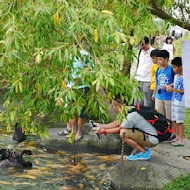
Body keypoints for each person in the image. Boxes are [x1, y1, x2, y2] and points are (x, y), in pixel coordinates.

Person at [93, 95, 159, 161]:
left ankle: (144, 153)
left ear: (117, 105)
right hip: (151, 136)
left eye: (113, 106)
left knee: (123, 133)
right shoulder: (130, 109)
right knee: (127, 130)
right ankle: (144, 148)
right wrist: (101, 125)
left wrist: (103, 131)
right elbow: (117, 123)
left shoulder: (130, 116)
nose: (113, 108)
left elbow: (118, 129)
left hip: (152, 140)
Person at [58, 49, 92, 141]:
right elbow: (66, 70)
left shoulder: (85, 54)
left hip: (82, 86)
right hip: (71, 87)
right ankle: (73, 130)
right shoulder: (68, 54)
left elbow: (91, 69)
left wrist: (82, 76)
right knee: (71, 110)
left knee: (81, 111)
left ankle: (79, 131)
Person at [166, 57, 185, 146]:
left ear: (181, 67)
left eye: (175, 67)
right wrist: (168, 86)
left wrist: (173, 90)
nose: (173, 69)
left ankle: (181, 139)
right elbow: (175, 83)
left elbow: (185, 90)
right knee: (174, 119)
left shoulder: (185, 77)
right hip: (174, 100)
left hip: (180, 102)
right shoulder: (176, 76)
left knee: (179, 121)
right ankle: (177, 136)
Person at [152, 50, 175, 120]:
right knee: (159, 117)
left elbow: (177, 82)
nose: (158, 61)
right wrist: (154, 93)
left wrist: (169, 86)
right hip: (159, 96)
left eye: (160, 59)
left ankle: (170, 130)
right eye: (158, 59)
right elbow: (157, 82)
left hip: (169, 97)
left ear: (166, 59)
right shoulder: (158, 70)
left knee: (169, 117)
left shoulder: (172, 69)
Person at [135, 36, 154, 107]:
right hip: (138, 79)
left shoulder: (152, 52)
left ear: (147, 44)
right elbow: (138, 64)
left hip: (147, 80)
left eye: (142, 44)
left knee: (147, 101)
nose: (141, 46)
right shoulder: (139, 52)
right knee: (138, 100)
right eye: (140, 44)